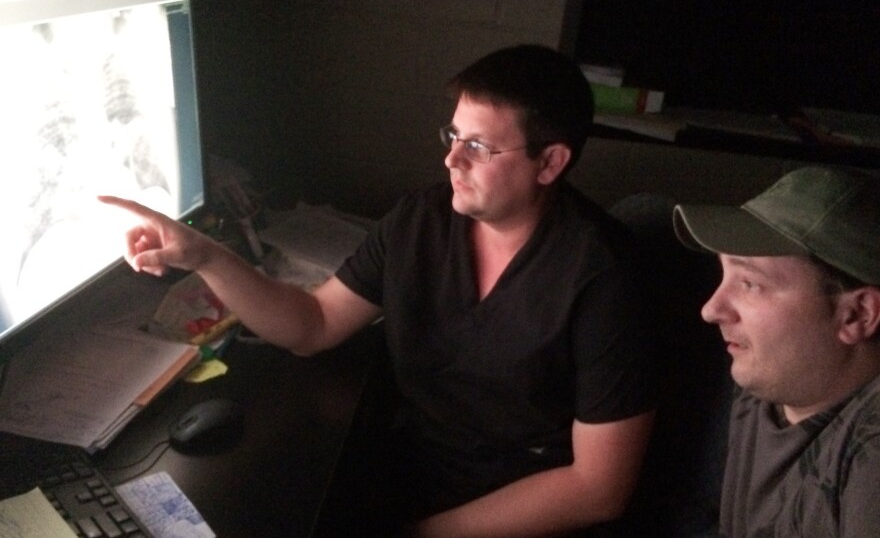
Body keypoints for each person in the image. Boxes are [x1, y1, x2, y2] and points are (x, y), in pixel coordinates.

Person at [100, 44, 657, 537]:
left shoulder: (605, 277)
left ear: (551, 162)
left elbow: (597, 489)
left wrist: (420, 533)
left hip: (524, 509)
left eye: (480, 147)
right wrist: (203, 255)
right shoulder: (422, 220)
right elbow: (313, 325)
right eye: (453, 135)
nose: (451, 159)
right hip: (415, 479)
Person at [672, 166, 880, 537]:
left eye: (751, 284)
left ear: (857, 315)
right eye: (724, 274)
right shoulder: (768, 383)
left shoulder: (869, 451)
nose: (711, 309)